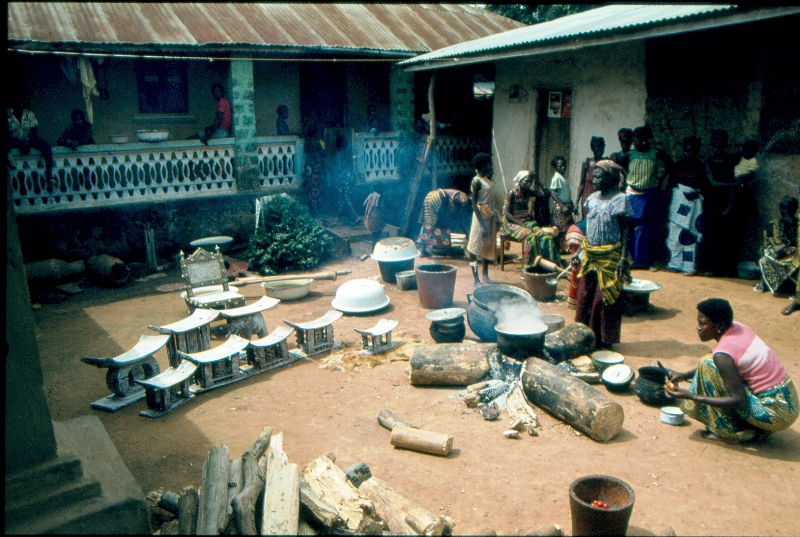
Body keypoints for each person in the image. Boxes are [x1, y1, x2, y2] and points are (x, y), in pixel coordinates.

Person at [664, 298, 799, 444]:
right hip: (789, 402)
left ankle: (729, 432)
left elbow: (738, 401)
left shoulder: (723, 354)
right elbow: (723, 366)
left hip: (776, 413)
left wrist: (693, 396)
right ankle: (757, 427)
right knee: (708, 362)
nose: (698, 328)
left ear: (719, 326)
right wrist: (684, 375)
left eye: (702, 323)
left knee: (708, 363)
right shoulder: (738, 328)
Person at [571, 160, 632, 349]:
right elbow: (591, 229)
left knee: (605, 299)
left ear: (610, 179)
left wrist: (622, 258)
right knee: (585, 296)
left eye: (598, 177)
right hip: (591, 254)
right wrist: (580, 252)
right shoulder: (593, 198)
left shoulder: (620, 200)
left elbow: (626, 229)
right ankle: (585, 338)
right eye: (592, 176)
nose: (593, 180)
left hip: (611, 256)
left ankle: (605, 342)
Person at [625, 125, 674, 269]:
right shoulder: (629, 154)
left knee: (646, 229)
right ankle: (630, 259)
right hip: (632, 196)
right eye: (640, 140)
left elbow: (670, 164)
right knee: (630, 227)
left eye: (646, 140)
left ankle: (644, 261)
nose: (643, 143)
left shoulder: (656, 154)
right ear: (634, 140)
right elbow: (615, 164)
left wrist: (661, 179)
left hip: (649, 195)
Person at [696, 129, 739, 276]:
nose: (716, 147)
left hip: (726, 204)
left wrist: (729, 205)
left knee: (725, 237)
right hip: (711, 203)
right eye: (714, 144)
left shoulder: (731, 161)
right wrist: (731, 184)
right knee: (709, 235)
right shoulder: (708, 162)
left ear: (725, 144)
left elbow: (734, 186)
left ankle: (720, 270)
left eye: (719, 144)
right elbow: (713, 183)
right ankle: (705, 267)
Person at [501, 170, 561, 268]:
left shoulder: (529, 192)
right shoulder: (512, 193)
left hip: (526, 221)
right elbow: (507, 214)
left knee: (546, 237)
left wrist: (538, 181)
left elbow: (546, 193)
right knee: (530, 237)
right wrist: (522, 225)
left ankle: (549, 264)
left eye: (530, 182)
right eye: (526, 181)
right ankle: (529, 267)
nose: (529, 184)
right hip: (511, 222)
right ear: (520, 181)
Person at [666, 136, 706, 275]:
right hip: (679, 203)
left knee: (691, 234)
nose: (689, 154)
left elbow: (704, 186)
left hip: (694, 203)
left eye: (692, 151)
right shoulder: (677, 166)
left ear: (696, 152)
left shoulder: (700, 167)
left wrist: (695, 193)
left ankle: (688, 266)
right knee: (676, 232)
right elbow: (671, 185)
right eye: (687, 151)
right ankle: (674, 263)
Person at [754, 196, 799, 295]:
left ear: (795, 209)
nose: (785, 210)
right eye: (783, 207)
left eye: (789, 208)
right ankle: (765, 281)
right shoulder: (773, 225)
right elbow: (772, 246)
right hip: (777, 254)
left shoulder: (798, 224)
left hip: (793, 253)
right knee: (766, 256)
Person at [466, 153, 499, 285]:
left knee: (486, 247)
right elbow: (474, 204)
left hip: (488, 216)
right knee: (474, 248)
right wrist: (481, 225)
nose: (490, 166)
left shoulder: (487, 179)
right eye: (488, 164)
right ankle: (476, 279)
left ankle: (485, 276)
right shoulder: (476, 181)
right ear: (482, 166)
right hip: (480, 217)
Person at [8, 93, 55, 183]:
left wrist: (27, 141)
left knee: (46, 146)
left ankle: (49, 174)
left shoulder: (29, 114)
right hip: (14, 141)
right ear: (12, 104)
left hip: (28, 140)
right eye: (17, 102)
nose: (20, 104)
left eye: (21, 101)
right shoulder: (8, 116)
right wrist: (18, 142)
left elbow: (34, 132)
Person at [415, 188, 471, 256]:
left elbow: (459, 219)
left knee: (428, 222)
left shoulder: (458, 196)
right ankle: (444, 248)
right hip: (439, 197)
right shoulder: (464, 198)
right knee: (443, 225)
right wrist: (468, 235)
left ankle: (423, 249)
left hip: (429, 196)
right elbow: (460, 219)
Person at [548, 156, 575, 251]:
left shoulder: (563, 178)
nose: (563, 168)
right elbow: (552, 192)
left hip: (566, 207)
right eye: (560, 166)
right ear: (555, 167)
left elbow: (566, 195)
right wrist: (562, 205)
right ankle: (558, 251)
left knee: (567, 228)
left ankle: (565, 249)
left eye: (564, 166)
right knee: (559, 230)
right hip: (560, 208)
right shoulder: (557, 178)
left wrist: (572, 206)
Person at [576, 136, 607, 219]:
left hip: (601, 200)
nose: (599, 151)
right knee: (587, 224)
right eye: (597, 148)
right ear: (592, 149)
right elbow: (582, 184)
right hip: (587, 199)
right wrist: (576, 202)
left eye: (601, 148)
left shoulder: (606, 164)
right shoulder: (587, 163)